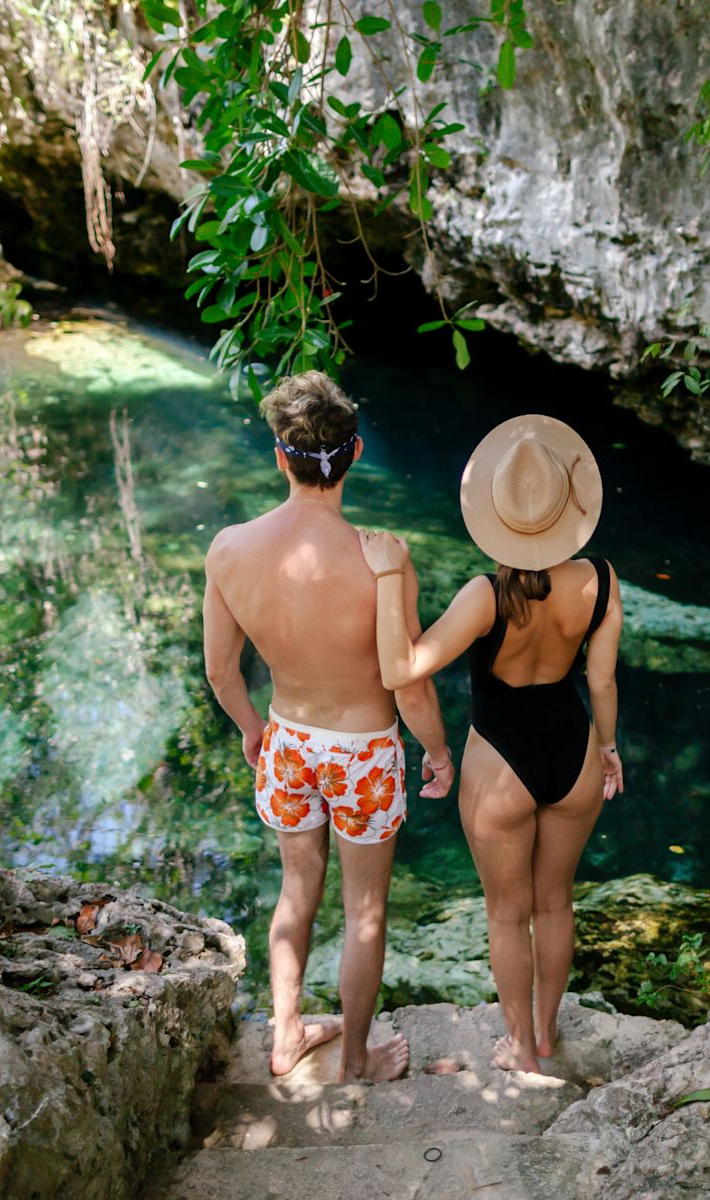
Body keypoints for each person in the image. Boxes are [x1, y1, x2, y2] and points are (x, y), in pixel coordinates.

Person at [202, 371, 456, 1084]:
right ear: (357, 453)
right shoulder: (383, 559)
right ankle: (353, 1058)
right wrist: (436, 751)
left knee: (295, 889)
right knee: (365, 910)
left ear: (280, 456)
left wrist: (254, 728)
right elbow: (406, 682)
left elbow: (222, 673)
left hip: (288, 738)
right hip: (365, 753)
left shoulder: (229, 548)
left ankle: (286, 1037)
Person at [358, 414, 623, 1074]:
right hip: (575, 756)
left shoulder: (486, 595)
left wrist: (391, 577)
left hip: (499, 766)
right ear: (568, 511)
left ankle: (519, 1052)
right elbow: (603, 678)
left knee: (507, 917)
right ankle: (545, 1037)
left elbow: (402, 671)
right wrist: (610, 748)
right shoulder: (601, 580)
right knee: (556, 902)